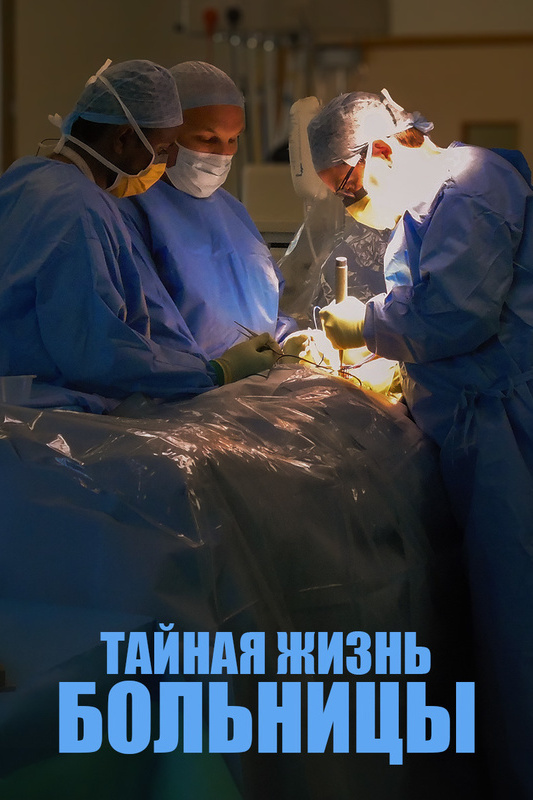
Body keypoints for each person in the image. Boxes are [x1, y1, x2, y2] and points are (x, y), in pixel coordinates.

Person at [308, 89, 533, 797]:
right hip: (480, 426)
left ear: (380, 149)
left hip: (511, 433)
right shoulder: (425, 206)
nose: (349, 204)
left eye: (347, 187)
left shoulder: (471, 189)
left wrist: (365, 324)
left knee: (519, 628)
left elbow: (455, 314)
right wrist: (396, 364)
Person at [0, 60, 279, 413]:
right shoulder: (81, 210)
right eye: (162, 148)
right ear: (122, 139)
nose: (167, 160)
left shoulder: (24, 176)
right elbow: (96, 351)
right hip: (48, 415)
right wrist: (213, 373)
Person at [118, 61, 299, 372]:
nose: (222, 154)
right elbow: (145, 330)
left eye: (233, 139)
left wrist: (290, 340)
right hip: (185, 389)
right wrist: (217, 373)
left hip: (257, 380)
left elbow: (269, 307)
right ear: (165, 135)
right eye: (207, 138)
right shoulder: (131, 210)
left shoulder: (232, 210)